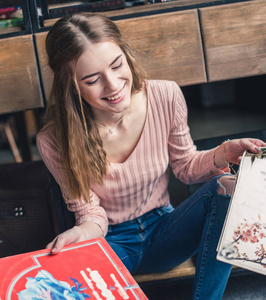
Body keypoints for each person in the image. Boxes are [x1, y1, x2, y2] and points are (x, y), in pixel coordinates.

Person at [36, 12, 266, 300]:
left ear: (126, 55)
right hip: (111, 243)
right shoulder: (54, 139)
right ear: (71, 85)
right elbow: (90, 214)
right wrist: (80, 233)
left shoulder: (165, 95)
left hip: (166, 231)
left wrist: (223, 152)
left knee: (228, 187)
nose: (113, 85)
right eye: (93, 79)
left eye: (117, 65)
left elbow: (186, 167)